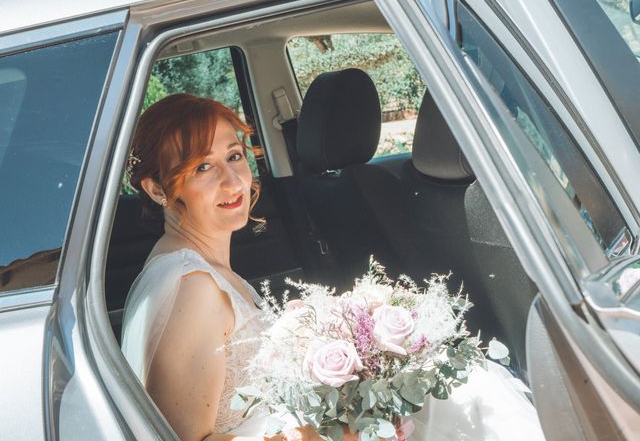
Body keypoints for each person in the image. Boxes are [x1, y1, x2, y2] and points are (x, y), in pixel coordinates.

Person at [121, 93, 546, 441]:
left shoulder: (199, 266)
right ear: (158, 189)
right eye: (202, 168)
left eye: (234, 156)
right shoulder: (190, 287)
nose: (234, 182)